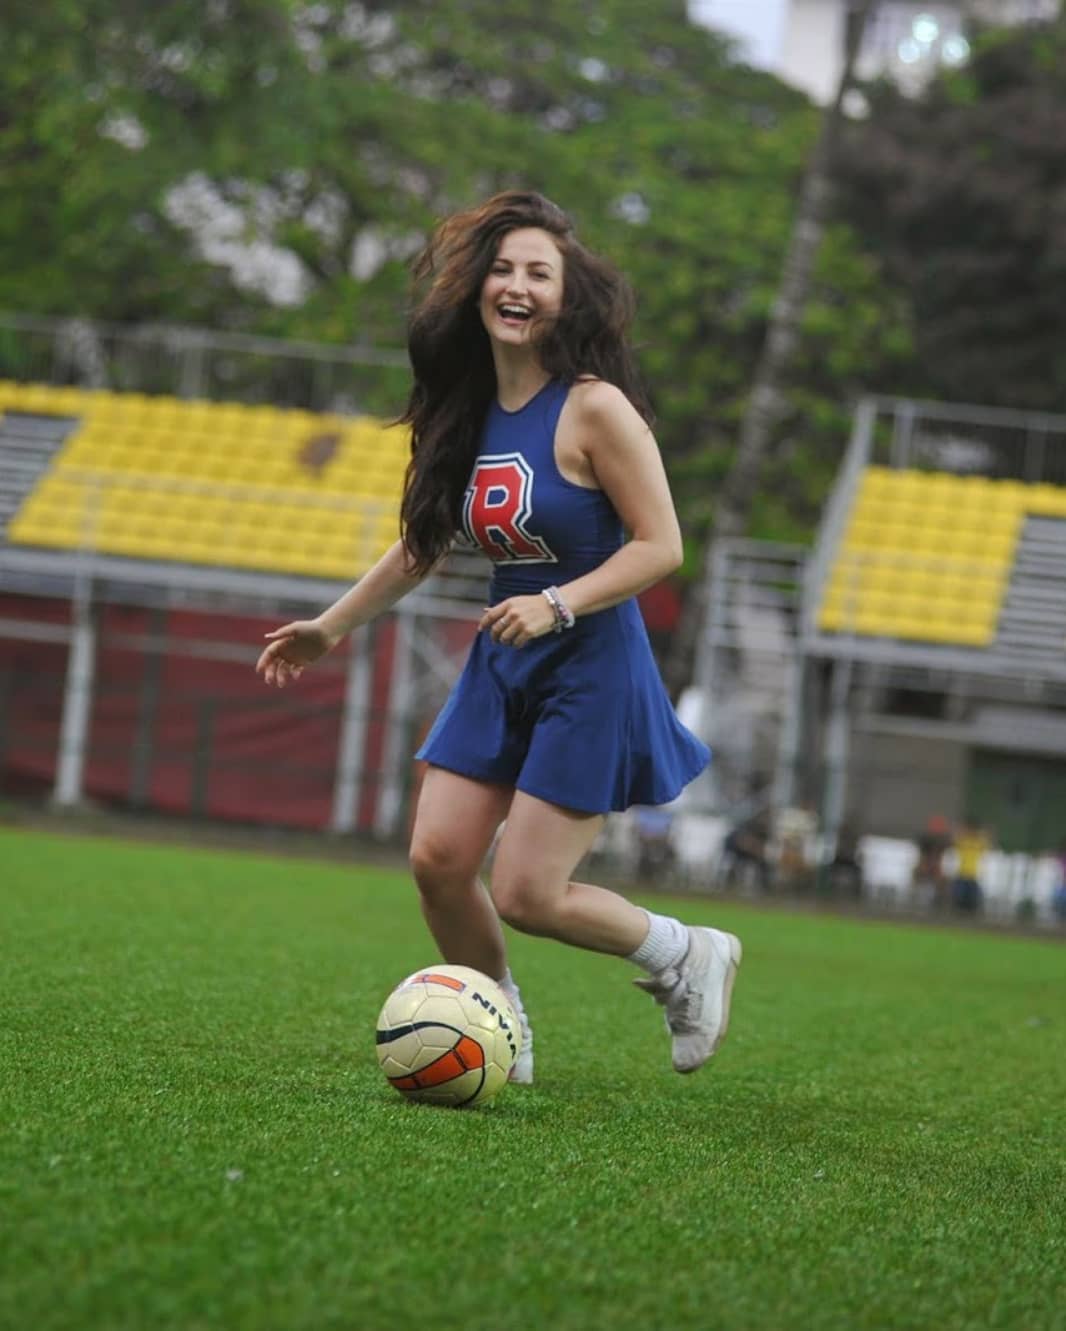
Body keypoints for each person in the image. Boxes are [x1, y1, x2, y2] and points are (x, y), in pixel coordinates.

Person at [255, 190, 741, 1080]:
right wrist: (330, 626)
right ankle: (497, 1017)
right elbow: (421, 545)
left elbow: (662, 546)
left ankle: (684, 952)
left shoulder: (595, 407)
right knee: (438, 858)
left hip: (590, 660)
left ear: (568, 297)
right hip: (505, 653)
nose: (517, 286)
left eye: (539, 274)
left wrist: (558, 605)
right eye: (503, 270)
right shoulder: (465, 410)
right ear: (477, 289)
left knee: (526, 891)